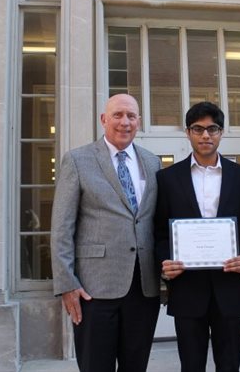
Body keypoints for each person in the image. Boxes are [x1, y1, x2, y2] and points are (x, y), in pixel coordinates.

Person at [50, 94, 161, 372]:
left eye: (131, 116)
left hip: (143, 287)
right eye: (118, 115)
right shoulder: (77, 160)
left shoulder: (152, 162)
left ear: (139, 122)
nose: (125, 122)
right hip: (93, 289)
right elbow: (62, 226)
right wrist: (67, 283)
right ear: (103, 120)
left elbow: (154, 221)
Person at [154, 101, 240, 372]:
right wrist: (165, 262)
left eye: (212, 129)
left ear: (221, 132)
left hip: (230, 289)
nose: (205, 135)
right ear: (188, 133)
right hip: (187, 289)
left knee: (230, 365)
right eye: (198, 129)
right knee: (191, 366)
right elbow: (158, 233)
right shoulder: (166, 179)